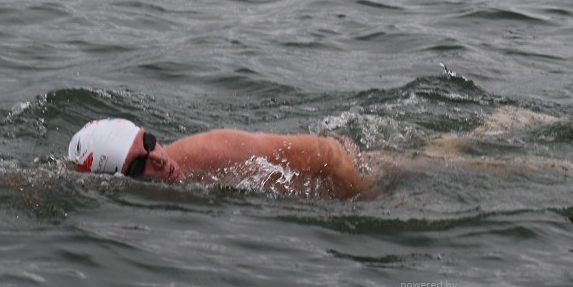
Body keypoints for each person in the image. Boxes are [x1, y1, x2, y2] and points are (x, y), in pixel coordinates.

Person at [68, 118, 377, 199]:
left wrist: (368, 199)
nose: (159, 159)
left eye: (149, 142)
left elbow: (328, 154)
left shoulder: (207, 151)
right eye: (138, 165)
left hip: (350, 171)